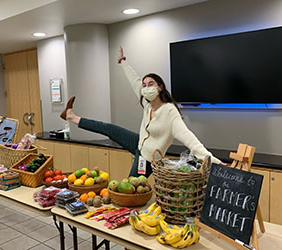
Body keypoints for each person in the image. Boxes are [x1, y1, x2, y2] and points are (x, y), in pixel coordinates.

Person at [60, 47, 222, 177]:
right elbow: (134, 80)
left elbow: (190, 139)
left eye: (150, 83)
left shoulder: (170, 112)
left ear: (160, 87)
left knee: (130, 187)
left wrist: (212, 160)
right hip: (138, 143)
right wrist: (123, 62)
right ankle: (71, 116)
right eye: (145, 85)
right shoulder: (148, 104)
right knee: (108, 128)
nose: (146, 87)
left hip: (149, 159)